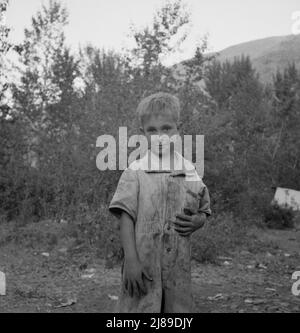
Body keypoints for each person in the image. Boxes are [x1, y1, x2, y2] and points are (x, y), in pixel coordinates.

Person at [109, 92, 211, 313]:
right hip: (143, 264)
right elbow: (126, 218)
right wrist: (131, 261)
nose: (160, 136)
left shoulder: (190, 171)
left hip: (177, 266)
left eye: (167, 128)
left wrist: (198, 221)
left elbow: (203, 210)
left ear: (178, 129)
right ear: (142, 134)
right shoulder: (134, 172)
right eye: (152, 130)